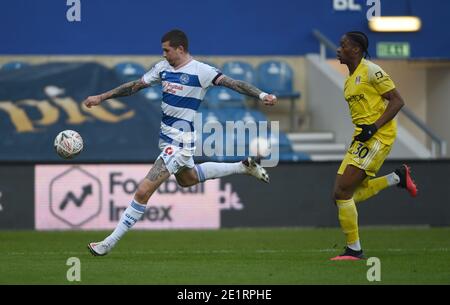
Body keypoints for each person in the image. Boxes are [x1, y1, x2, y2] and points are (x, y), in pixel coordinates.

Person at [83, 29, 277, 256]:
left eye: (167, 50)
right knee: (188, 179)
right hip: (167, 139)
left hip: (180, 141)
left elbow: (234, 84)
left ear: (180, 49)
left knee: (143, 191)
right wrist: (101, 97)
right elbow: (134, 86)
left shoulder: (201, 71)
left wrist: (263, 95)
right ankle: (242, 166)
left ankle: (108, 243)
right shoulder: (162, 68)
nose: (163, 54)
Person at [331, 31, 418, 260]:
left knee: (342, 192)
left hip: (379, 136)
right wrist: (365, 130)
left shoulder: (371, 70)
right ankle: (397, 178)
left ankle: (354, 250)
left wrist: (375, 126)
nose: (338, 49)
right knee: (341, 194)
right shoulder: (350, 80)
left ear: (356, 49)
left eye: (343, 45)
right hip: (362, 137)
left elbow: (398, 101)